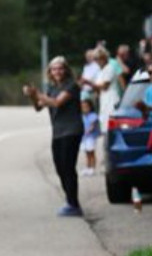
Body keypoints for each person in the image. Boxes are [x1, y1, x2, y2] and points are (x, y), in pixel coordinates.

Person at [23, 56, 85, 216]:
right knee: (59, 168)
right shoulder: (51, 88)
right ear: (49, 71)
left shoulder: (71, 86)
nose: (57, 71)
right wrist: (32, 95)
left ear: (66, 70)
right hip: (58, 132)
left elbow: (57, 102)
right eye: (54, 69)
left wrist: (38, 93)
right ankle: (70, 201)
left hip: (72, 131)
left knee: (68, 167)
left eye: (60, 68)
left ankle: (73, 204)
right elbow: (38, 107)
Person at [81, 46, 121, 133]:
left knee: (110, 121)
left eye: (98, 59)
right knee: (104, 121)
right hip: (103, 97)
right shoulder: (101, 70)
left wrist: (89, 83)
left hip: (111, 97)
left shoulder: (109, 68)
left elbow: (104, 86)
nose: (97, 61)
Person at [80, 98, 100, 177]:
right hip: (84, 138)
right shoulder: (82, 116)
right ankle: (88, 167)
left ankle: (92, 168)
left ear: (90, 107)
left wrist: (87, 131)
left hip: (90, 137)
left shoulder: (93, 116)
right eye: (83, 107)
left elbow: (92, 126)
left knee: (91, 153)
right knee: (87, 153)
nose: (84, 109)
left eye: (86, 107)